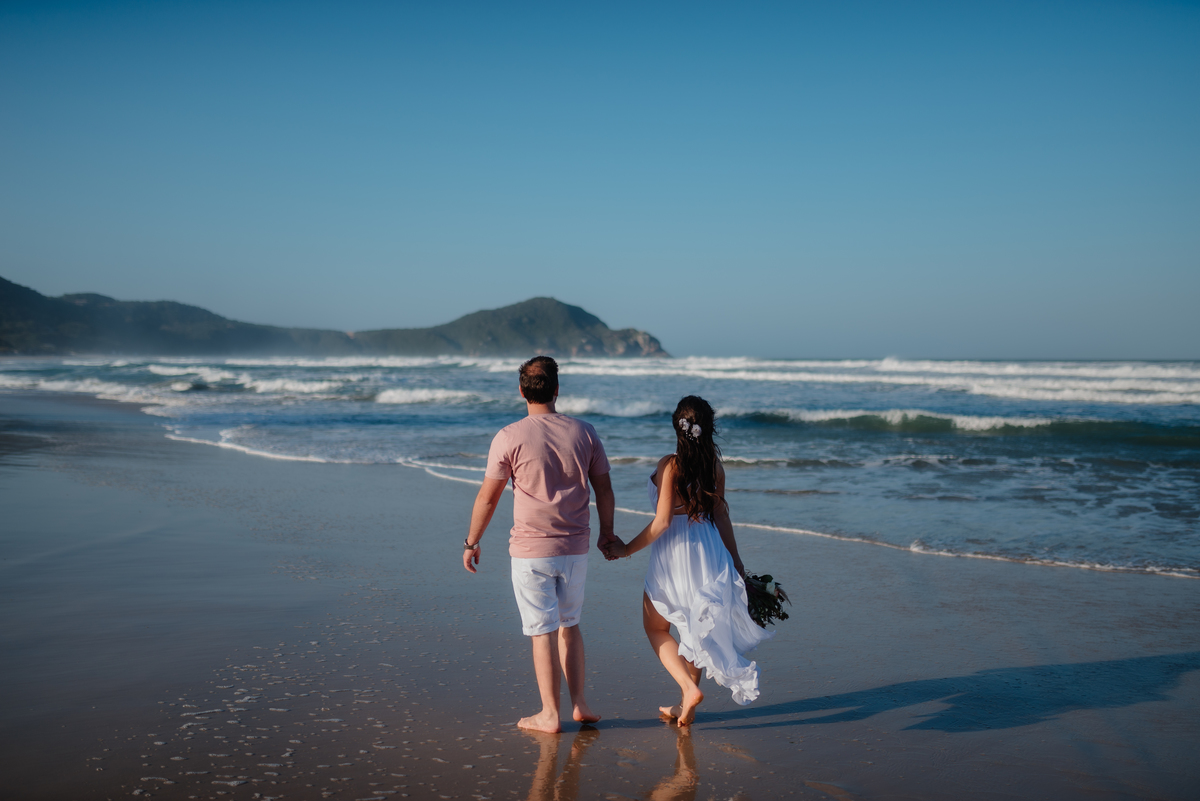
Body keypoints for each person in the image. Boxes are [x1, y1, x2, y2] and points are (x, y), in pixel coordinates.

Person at [462, 355, 617, 733]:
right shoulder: (584, 432)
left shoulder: (509, 436)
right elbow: (604, 489)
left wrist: (471, 541)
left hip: (531, 552)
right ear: (557, 389)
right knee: (571, 624)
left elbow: (488, 497)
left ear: (521, 391)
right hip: (575, 548)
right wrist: (607, 533)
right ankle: (579, 703)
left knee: (542, 630)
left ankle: (549, 714)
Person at [604, 396, 772, 726]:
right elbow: (721, 516)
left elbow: (663, 522)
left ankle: (687, 689)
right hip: (709, 550)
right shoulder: (715, 468)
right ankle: (687, 707)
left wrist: (625, 549)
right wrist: (736, 560)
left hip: (674, 553)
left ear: (676, 427)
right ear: (710, 428)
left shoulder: (670, 465)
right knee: (697, 630)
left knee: (655, 627)